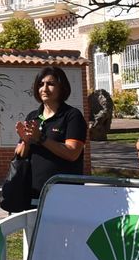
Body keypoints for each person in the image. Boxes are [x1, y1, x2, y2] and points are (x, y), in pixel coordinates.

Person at [11, 66, 88, 209]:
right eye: (41, 84)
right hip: (33, 194)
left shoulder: (72, 116)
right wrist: (26, 141)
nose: (44, 88)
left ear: (62, 87)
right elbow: (20, 155)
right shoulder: (33, 117)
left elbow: (72, 153)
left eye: (50, 84)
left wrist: (41, 138)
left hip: (65, 195)